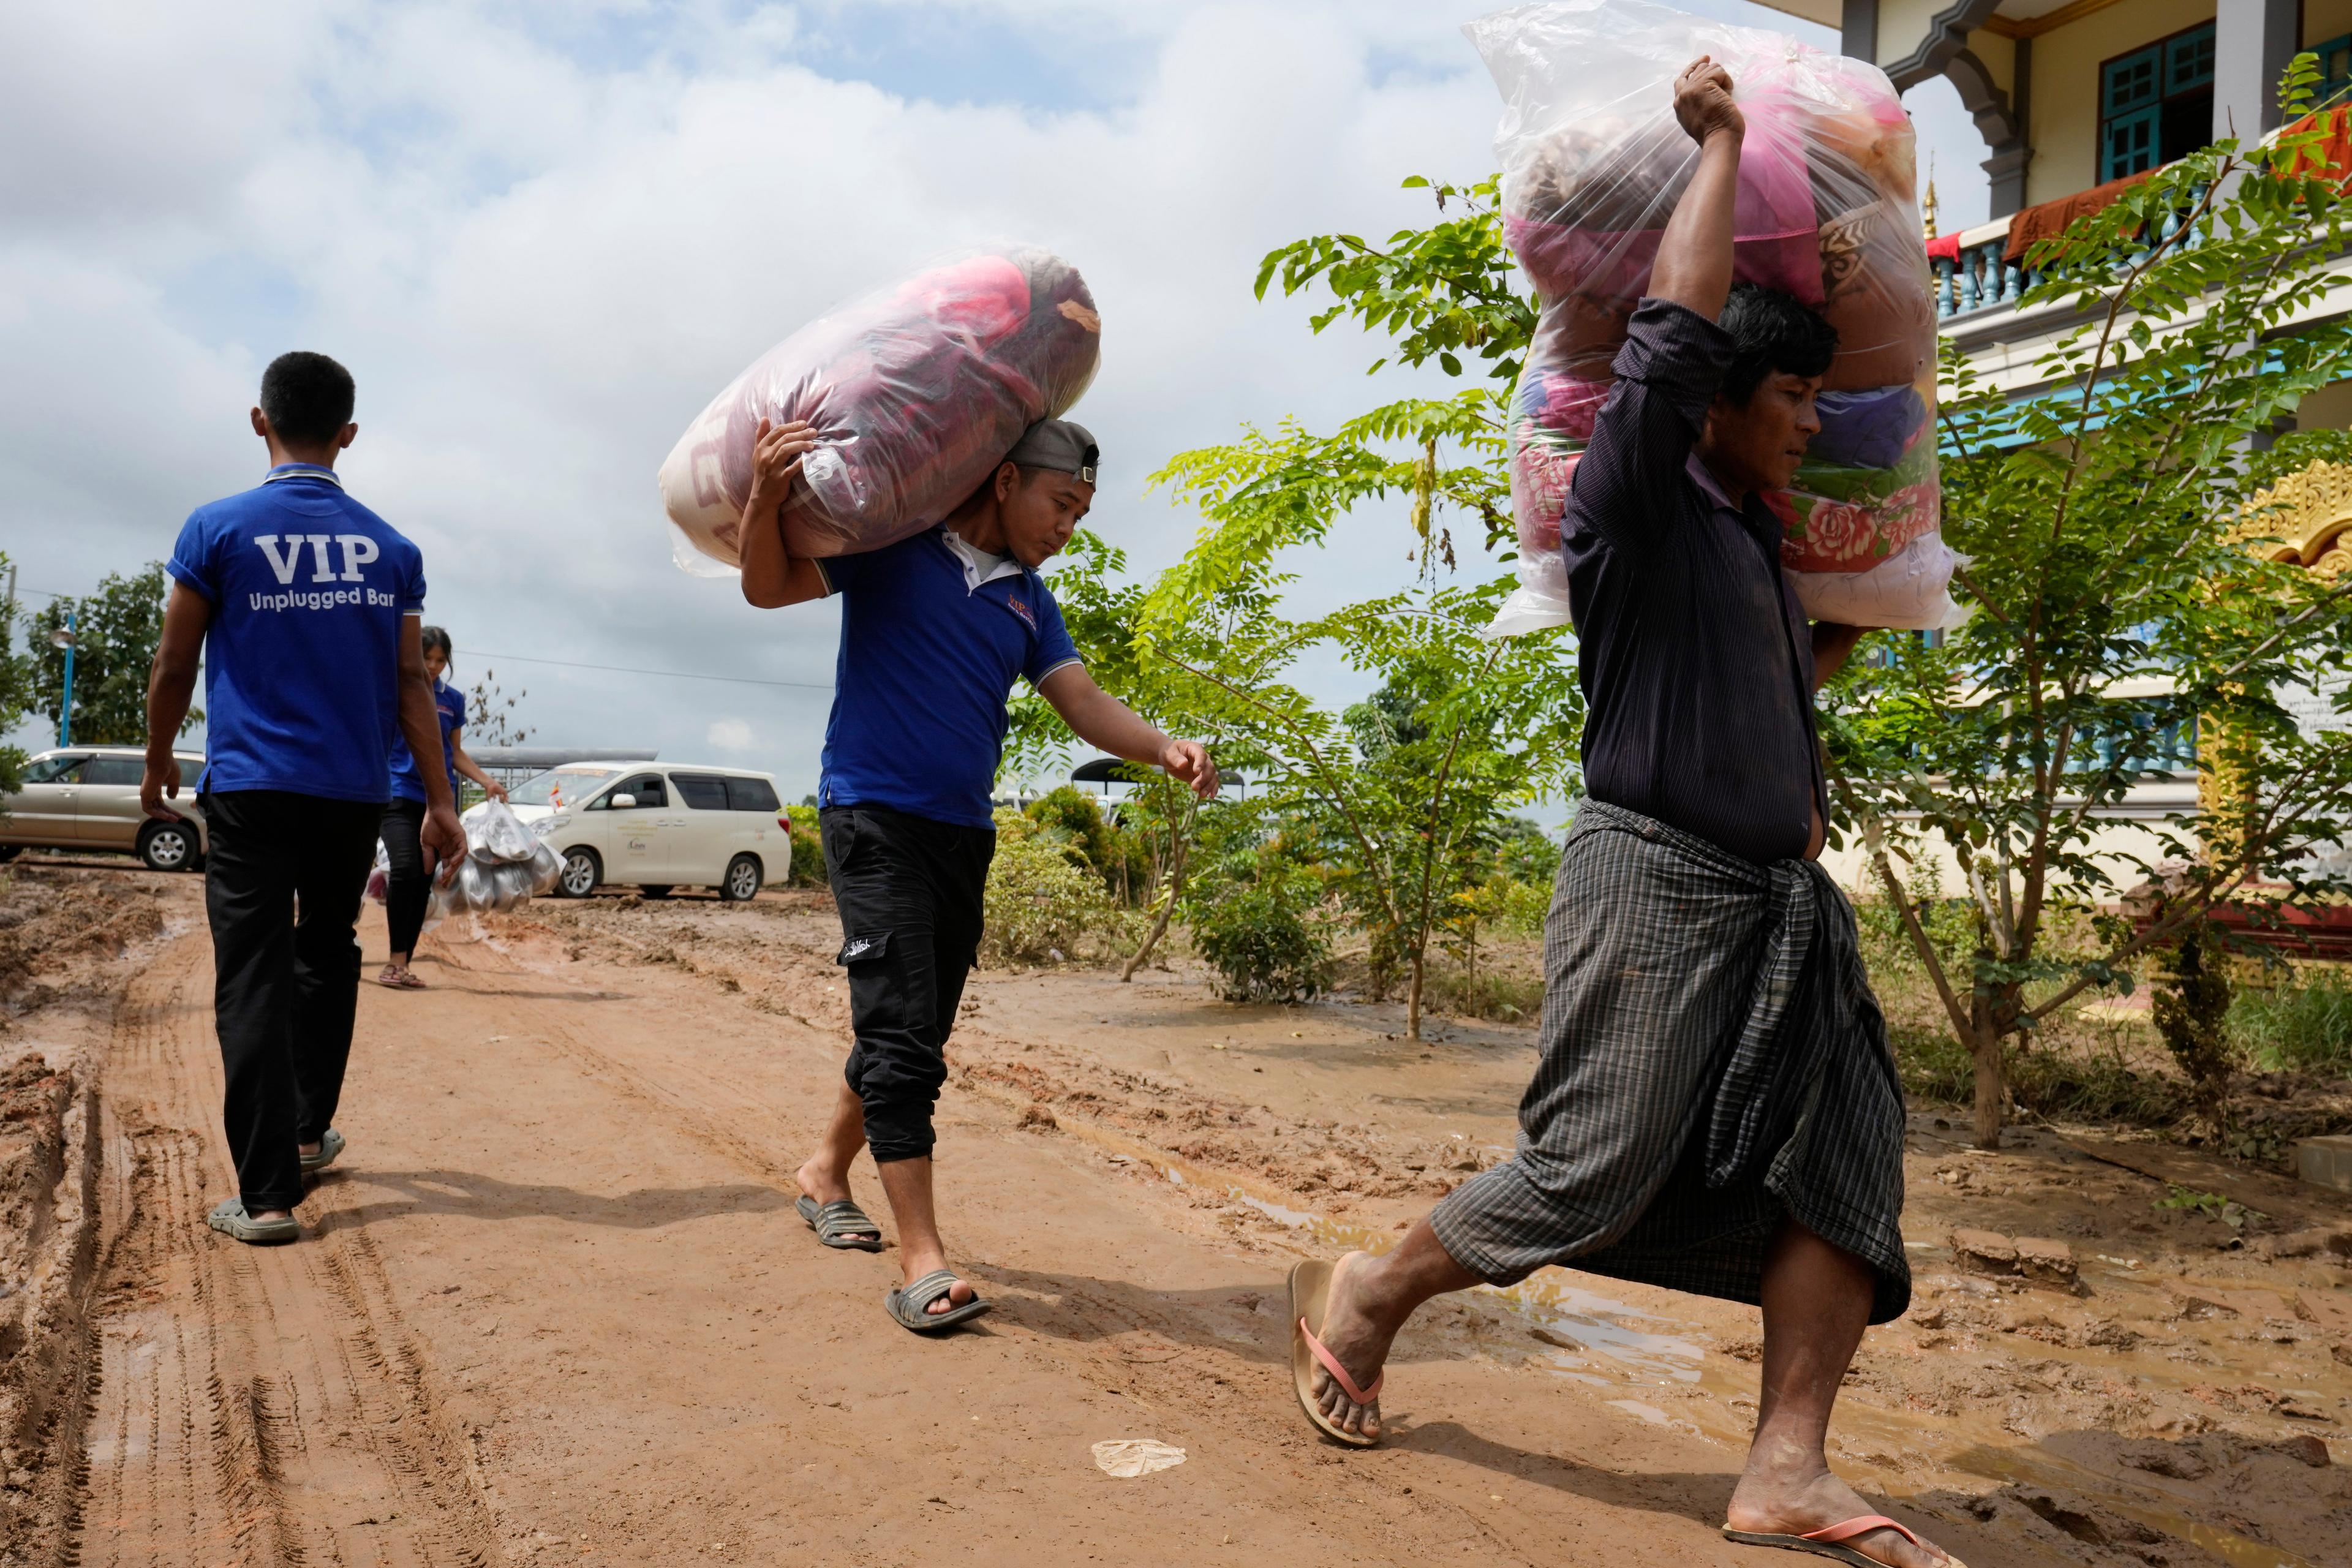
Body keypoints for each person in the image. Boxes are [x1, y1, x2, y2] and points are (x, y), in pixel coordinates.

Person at [1279, 60, 1958, 1568]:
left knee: (1846, 1162)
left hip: (1782, 905)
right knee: (1594, 1159)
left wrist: (1874, 579)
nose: (1801, 422)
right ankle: (1371, 1291)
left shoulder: (1754, 563)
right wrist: (1717, 140)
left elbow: (1791, 668)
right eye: (1786, 396)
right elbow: (1666, 334)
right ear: (1712, 399)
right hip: (1652, 880)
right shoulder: (1634, 504)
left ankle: (1787, 1466)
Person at [737, 415, 1219, 1333]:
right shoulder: (893, 545)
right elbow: (767, 588)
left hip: (962, 831)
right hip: (870, 813)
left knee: (914, 1024)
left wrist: (1164, 747)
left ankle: (823, 1173)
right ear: (1004, 479)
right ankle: (923, 1260)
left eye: (1082, 512)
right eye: (1060, 502)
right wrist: (765, 491)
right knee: (902, 1032)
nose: (1068, 526)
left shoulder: (1030, 602)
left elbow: (1082, 701)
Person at [141, 350, 464, 1246]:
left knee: (254, 975)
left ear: (259, 422)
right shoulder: (392, 549)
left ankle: (269, 1197)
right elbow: (411, 685)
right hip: (352, 794)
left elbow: (174, 662)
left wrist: (159, 759)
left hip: (250, 789)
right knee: (326, 955)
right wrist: (439, 803)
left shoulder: (219, 530)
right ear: (348, 435)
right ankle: (308, 1129)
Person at [377, 626, 506, 989]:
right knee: (405, 867)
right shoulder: (394, 690)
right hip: (397, 794)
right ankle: (384, 954)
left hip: (437, 802)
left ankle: (399, 964)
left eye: (440, 661)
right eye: (426, 658)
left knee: (422, 877)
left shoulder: (454, 700)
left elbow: (455, 753)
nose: (432, 667)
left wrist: (486, 782)